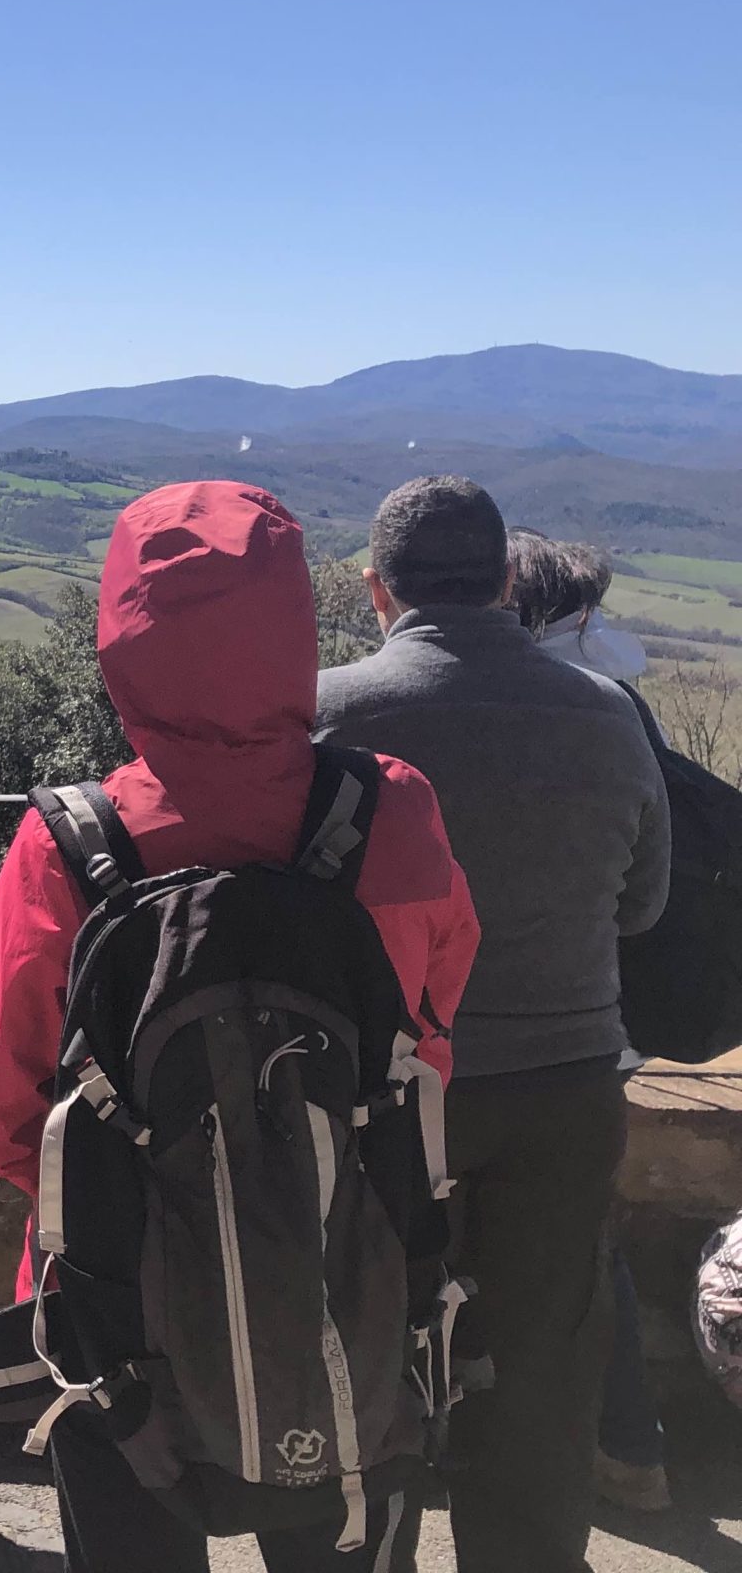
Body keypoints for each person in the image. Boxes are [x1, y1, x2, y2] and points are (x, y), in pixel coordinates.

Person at [0, 480, 480, 1573]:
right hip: (355, 1290)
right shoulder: (393, 808)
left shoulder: (69, 843)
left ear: (122, 633)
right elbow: (428, 1035)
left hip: (119, 1325)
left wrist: (158, 1213)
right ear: (294, 623)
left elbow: (4, 1106)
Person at [317, 478, 670, 1573]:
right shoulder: (607, 716)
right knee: (543, 1366)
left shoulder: (326, 714)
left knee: (360, 1348)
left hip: (380, 1090)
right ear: (509, 581)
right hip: (563, 1084)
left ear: (375, 589)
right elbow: (644, 905)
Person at [507, 529, 670, 1514]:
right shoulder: (619, 710)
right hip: (590, 1026)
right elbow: (645, 898)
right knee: (578, 1242)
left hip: (456, 1025)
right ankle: (626, 1446)